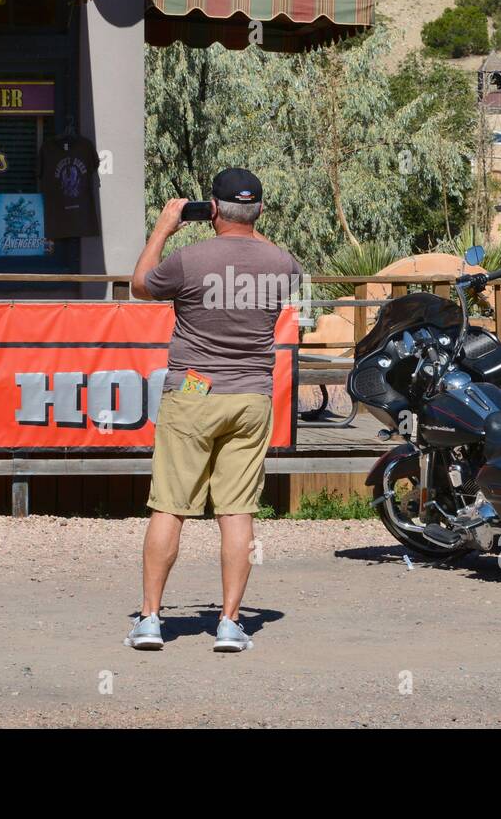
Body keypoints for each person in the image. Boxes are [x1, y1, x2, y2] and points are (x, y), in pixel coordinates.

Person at [126, 168, 303, 652]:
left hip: (193, 394)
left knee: (169, 506)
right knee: (237, 511)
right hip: (251, 397)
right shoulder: (284, 265)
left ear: (213, 209)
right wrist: (244, 224)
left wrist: (164, 227)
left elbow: (140, 285)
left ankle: (149, 620)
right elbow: (270, 253)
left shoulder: (188, 259)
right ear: (260, 210)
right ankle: (228, 623)